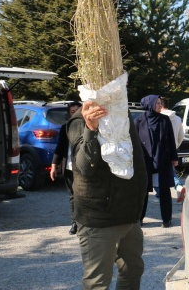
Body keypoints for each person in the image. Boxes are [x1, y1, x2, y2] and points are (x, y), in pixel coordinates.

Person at [66, 101, 148, 290]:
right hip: (99, 218)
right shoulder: (80, 119)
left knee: (133, 270)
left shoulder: (121, 114)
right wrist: (90, 129)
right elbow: (85, 167)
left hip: (129, 215)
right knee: (98, 283)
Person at [134, 95, 178, 228]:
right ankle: (139, 218)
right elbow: (134, 143)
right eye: (157, 103)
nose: (160, 105)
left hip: (162, 160)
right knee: (143, 192)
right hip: (145, 161)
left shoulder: (165, 120)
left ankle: (167, 219)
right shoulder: (138, 121)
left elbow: (171, 140)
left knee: (164, 191)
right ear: (149, 104)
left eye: (160, 103)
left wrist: (174, 157)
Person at [49, 100, 81, 235]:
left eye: (78, 111)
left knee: (86, 196)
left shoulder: (89, 126)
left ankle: (87, 222)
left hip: (84, 168)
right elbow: (60, 147)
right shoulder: (65, 127)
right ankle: (75, 222)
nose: (75, 113)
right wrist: (54, 165)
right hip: (69, 167)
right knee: (73, 196)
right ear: (69, 113)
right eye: (72, 111)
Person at [156, 96, 186, 202]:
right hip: (173, 149)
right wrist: (176, 145)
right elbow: (181, 135)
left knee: (159, 172)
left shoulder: (159, 117)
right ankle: (177, 188)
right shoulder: (177, 118)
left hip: (159, 150)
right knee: (169, 170)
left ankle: (176, 187)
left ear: (161, 105)